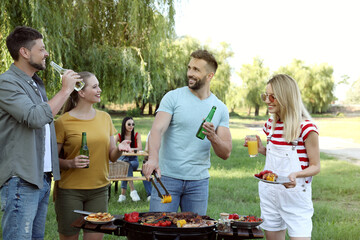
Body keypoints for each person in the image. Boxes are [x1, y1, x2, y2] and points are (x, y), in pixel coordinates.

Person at [0, 26, 80, 240]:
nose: (46, 54)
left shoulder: (35, 84)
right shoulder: (6, 83)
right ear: (24, 53)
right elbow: (35, 118)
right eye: (41, 49)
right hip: (21, 178)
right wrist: (65, 91)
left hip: (41, 178)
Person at [142, 49, 232, 215]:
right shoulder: (173, 97)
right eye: (189, 68)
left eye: (196, 70)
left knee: (195, 233)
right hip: (167, 178)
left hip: (198, 183)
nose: (190, 73)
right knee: (159, 232)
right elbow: (157, 129)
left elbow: (225, 153)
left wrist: (213, 138)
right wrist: (153, 158)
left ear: (210, 76)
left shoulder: (220, 108)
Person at [54, 72, 131, 240]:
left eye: (99, 86)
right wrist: (71, 163)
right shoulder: (62, 122)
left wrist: (119, 149)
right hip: (69, 192)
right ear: (81, 92)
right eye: (95, 87)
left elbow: (112, 156)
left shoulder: (105, 118)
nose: (99, 90)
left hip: (99, 191)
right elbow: (52, 161)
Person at [245, 74, 321, 240]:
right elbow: (275, 153)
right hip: (270, 194)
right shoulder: (270, 125)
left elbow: (315, 166)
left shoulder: (306, 128)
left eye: (273, 96)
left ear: (286, 97)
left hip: (294, 196)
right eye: (266, 95)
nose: (267, 100)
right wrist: (261, 149)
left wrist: (295, 175)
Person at [115, 117, 142, 202]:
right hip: (123, 159)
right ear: (124, 125)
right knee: (125, 165)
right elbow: (111, 147)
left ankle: (123, 194)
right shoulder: (119, 136)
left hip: (134, 160)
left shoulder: (136, 135)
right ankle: (132, 192)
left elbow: (140, 148)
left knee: (127, 165)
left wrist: (129, 149)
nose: (131, 126)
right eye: (129, 124)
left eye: (133, 124)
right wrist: (119, 148)